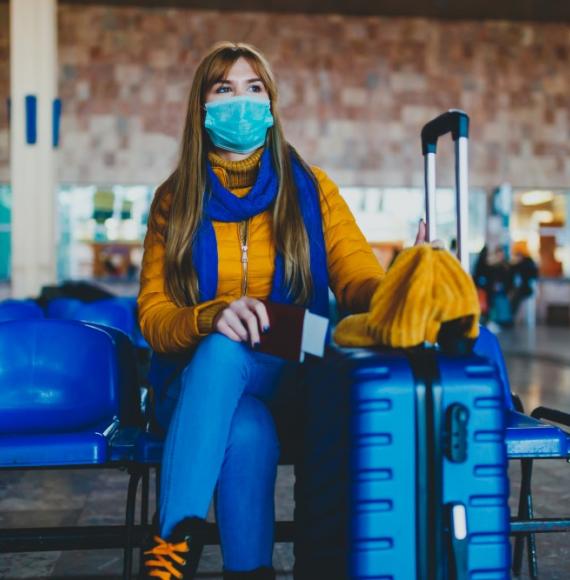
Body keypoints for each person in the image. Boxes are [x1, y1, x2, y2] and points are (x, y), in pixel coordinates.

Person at [137, 41, 427, 580]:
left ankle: (171, 546)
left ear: (271, 105)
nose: (241, 101)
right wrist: (210, 315)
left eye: (255, 88)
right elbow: (154, 317)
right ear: (202, 107)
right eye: (224, 88)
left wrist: (402, 282)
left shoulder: (312, 190)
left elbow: (358, 277)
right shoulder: (174, 200)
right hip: (201, 376)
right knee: (244, 425)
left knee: (237, 344)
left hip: (299, 359)